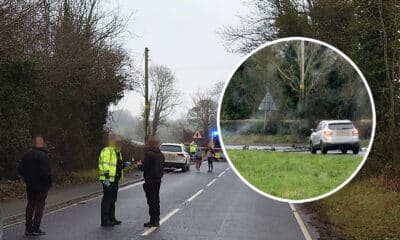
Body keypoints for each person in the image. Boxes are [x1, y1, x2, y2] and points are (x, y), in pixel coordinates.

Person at [18, 135, 52, 236]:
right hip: (41, 186)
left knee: (30, 205)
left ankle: (28, 228)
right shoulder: (43, 156)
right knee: (39, 206)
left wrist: (26, 178)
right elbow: (46, 172)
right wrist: (48, 183)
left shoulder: (26, 155)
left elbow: (20, 169)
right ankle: (36, 227)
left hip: (30, 184)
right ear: (42, 144)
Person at [98, 134, 130, 227]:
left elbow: (117, 165)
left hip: (115, 178)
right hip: (107, 179)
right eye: (118, 142)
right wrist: (107, 177)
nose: (120, 144)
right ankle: (105, 220)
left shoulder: (117, 152)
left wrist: (124, 164)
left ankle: (112, 218)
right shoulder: (107, 151)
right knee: (107, 199)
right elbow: (104, 165)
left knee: (113, 199)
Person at [137, 136, 164, 228]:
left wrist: (139, 165)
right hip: (158, 180)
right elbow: (162, 167)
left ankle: (153, 221)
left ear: (150, 144)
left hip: (150, 180)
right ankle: (157, 219)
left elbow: (145, 168)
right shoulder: (160, 154)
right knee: (156, 199)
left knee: (151, 201)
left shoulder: (149, 154)